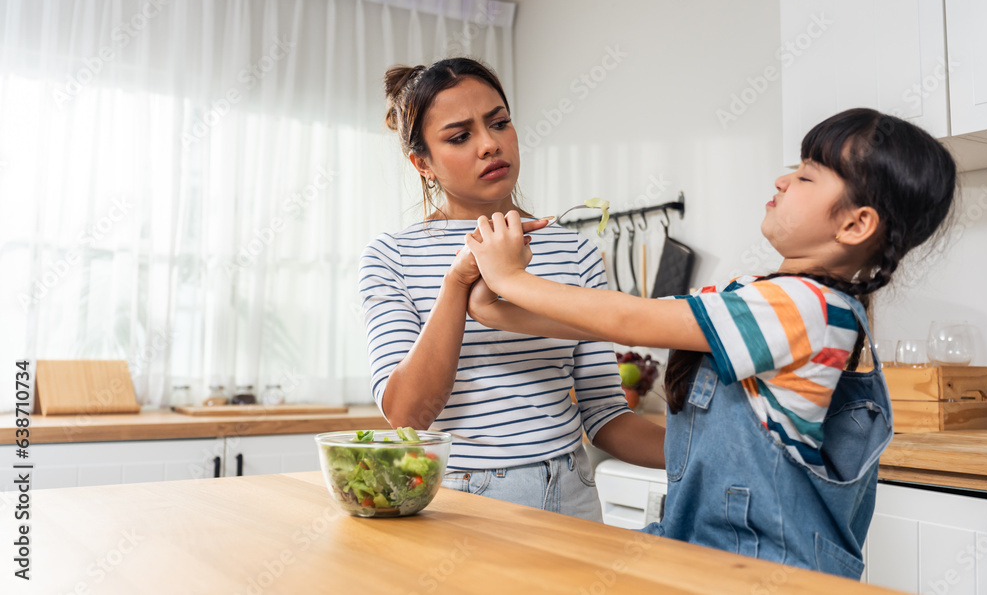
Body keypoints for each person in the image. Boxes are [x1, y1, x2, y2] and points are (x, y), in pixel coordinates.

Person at [463, 108, 956, 578]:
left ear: (855, 224)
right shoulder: (753, 298)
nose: (782, 180)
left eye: (806, 176)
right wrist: (493, 298)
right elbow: (591, 323)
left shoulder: (808, 307)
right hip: (706, 553)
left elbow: (629, 319)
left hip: (763, 569)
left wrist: (511, 276)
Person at [359, 57, 664, 522]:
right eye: (460, 136)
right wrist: (458, 280)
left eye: (499, 123)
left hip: (570, 491)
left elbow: (605, 414)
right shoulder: (391, 256)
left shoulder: (576, 252)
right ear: (423, 163)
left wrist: (709, 453)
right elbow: (406, 415)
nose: (489, 145)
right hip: (457, 499)